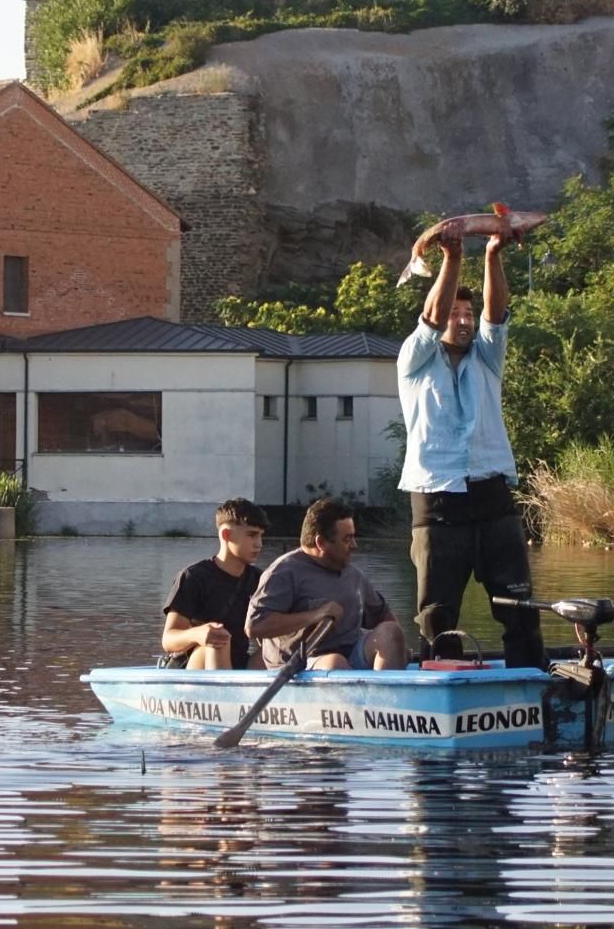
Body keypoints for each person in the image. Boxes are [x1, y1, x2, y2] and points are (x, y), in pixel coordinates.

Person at [396, 223, 546, 669]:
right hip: (437, 497)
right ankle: (446, 694)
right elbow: (429, 318)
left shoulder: (487, 358)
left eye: (467, 314)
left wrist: (492, 254)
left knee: (517, 606)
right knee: (437, 616)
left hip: (491, 490)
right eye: (456, 314)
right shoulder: (414, 359)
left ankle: (531, 686)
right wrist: (452, 257)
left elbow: (496, 314)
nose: (463, 321)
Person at [245, 499, 407, 670]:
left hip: (350, 654)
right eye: (347, 539)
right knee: (335, 662)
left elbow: (382, 615)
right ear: (320, 543)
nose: (354, 546)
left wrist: (400, 648)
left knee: (391, 632)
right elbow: (255, 626)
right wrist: (315, 615)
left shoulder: (354, 575)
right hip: (299, 664)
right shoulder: (283, 573)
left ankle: (386, 695)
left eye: (353, 537)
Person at [160, 498, 270, 670]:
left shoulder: (260, 579)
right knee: (219, 640)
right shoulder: (193, 577)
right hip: (194, 666)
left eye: (261, 536)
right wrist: (199, 633)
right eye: (252, 535)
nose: (259, 544)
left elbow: (266, 633)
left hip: (240, 664)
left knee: (283, 646)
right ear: (226, 535)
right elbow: (168, 640)